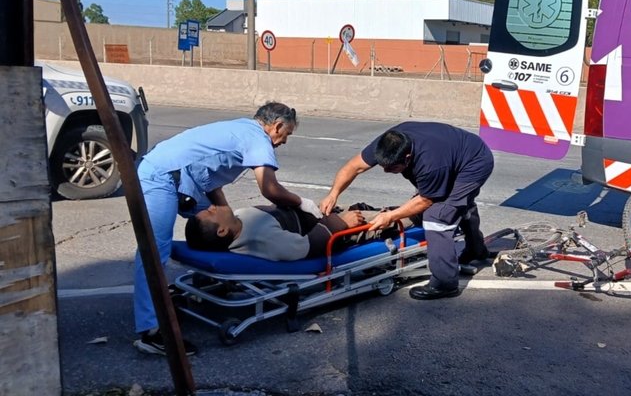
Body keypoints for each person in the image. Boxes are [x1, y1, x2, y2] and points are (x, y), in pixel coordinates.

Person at [132, 101, 320, 356]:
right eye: (286, 134)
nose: (284, 141)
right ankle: (151, 331)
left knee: (220, 227)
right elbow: (270, 189)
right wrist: (302, 203)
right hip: (162, 177)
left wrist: (229, 217)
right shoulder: (258, 139)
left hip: (179, 178)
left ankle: (211, 279)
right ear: (277, 126)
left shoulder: (240, 128)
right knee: (153, 251)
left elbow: (212, 184)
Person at [319, 121, 495, 300]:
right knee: (455, 204)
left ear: (408, 157)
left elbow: (426, 200)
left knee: (437, 216)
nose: (386, 171)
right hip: (450, 152)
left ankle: (445, 283)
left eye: (393, 167)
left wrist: (390, 216)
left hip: (474, 162)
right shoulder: (388, 142)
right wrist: (333, 194)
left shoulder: (431, 164)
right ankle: (476, 249)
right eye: (382, 166)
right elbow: (353, 167)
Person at [184, 202, 419, 261]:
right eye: (210, 213)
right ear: (222, 231)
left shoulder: (237, 220)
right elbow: (307, 247)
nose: (212, 207)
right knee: (385, 219)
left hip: (318, 215)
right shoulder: (261, 240)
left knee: (362, 207)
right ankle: (422, 212)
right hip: (332, 230)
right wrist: (341, 223)